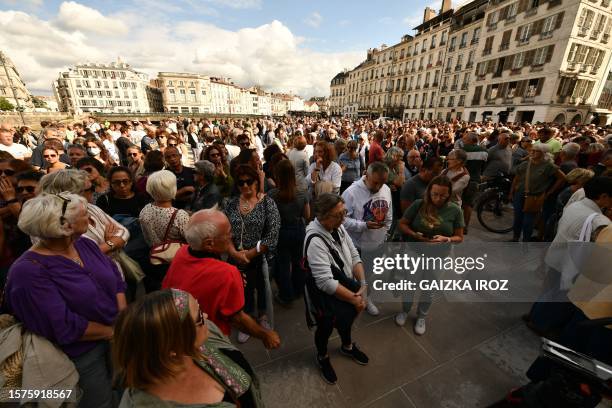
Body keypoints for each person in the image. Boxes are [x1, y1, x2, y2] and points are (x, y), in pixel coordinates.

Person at [4, 193, 126, 408]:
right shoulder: (28, 272)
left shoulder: (85, 244)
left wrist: (123, 317)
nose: (90, 219)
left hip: (117, 339)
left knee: (123, 392)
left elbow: (114, 277)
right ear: (64, 226)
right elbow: (62, 324)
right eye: (85, 214)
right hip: (80, 356)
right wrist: (114, 332)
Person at [113, 289, 264, 407]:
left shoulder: (204, 336)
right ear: (171, 347)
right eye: (198, 316)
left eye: (199, 307)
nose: (205, 315)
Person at [162, 210, 281, 349]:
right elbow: (237, 319)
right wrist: (265, 335)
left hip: (175, 332)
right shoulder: (227, 273)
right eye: (227, 233)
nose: (232, 235)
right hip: (208, 340)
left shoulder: (182, 252)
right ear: (209, 244)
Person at [305, 193, 369, 385]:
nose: (344, 218)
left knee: (345, 321)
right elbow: (325, 282)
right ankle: (322, 356)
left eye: (344, 213)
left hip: (345, 287)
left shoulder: (338, 227)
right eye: (338, 215)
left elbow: (354, 255)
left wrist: (363, 284)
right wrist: (354, 298)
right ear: (322, 216)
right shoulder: (315, 240)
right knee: (325, 327)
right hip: (325, 297)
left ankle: (347, 346)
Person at [396, 176, 464, 334]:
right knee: (409, 284)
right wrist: (414, 234)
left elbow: (459, 237)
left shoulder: (455, 210)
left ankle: (421, 316)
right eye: (434, 194)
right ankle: (405, 310)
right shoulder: (419, 204)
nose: (438, 199)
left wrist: (446, 239)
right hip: (414, 252)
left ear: (449, 195)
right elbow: (402, 224)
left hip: (439, 256)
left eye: (442, 195)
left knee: (430, 287)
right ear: (429, 191)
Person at [224, 164, 280, 344]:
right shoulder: (231, 204)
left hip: (259, 255)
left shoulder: (267, 203)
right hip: (235, 256)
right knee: (241, 288)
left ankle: (262, 315)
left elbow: (273, 233)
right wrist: (233, 252)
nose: (246, 186)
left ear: (257, 181)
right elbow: (224, 231)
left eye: (249, 182)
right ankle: (246, 319)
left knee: (262, 286)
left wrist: (250, 253)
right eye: (241, 183)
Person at [342, 162, 392, 316]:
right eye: (376, 182)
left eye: (382, 182)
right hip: (357, 245)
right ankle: (351, 300)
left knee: (369, 274)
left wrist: (386, 231)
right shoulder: (351, 193)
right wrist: (363, 226)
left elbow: (389, 212)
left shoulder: (386, 188)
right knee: (353, 276)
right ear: (366, 175)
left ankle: (366, 298)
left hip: (377, 244)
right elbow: (341, 219)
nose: (379, 187)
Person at [268, 159, 310, 306]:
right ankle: (298, 290)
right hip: (298, 230)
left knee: (283, 266)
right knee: (299, 263)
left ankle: (286, 295)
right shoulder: (302, 193)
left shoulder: (273, 195)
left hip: (281, 233)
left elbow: (270, 219)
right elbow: (307, 215)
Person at [139, 170, 190, 291]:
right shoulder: (180, 215)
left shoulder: (145, 211)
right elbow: (191, 240)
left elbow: (147, 237)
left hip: (156, 259)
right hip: (178, 262)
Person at [510, 143, 566, 242]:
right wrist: (511, 193)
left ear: (544, 153)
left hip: (535, 196)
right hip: (519, 194)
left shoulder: (548, 166)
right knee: (517, 218)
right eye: (532, 150)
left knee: (528, 221)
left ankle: (526, 241)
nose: (532, 152)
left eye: (536, 151)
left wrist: (550, 192)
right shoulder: (525, 164)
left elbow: (562, 178)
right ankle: (515, 238)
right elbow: (516, 179)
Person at [460, 132, 488, 233]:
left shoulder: (462, 151)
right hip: (474, 180)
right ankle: (465, 227)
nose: (463, 141)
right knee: (468, 205)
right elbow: (484, 166)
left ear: (471, 140)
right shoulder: (484, 151)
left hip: (462, 179)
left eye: (465, 139)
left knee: (458, 202)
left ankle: (457, 226)